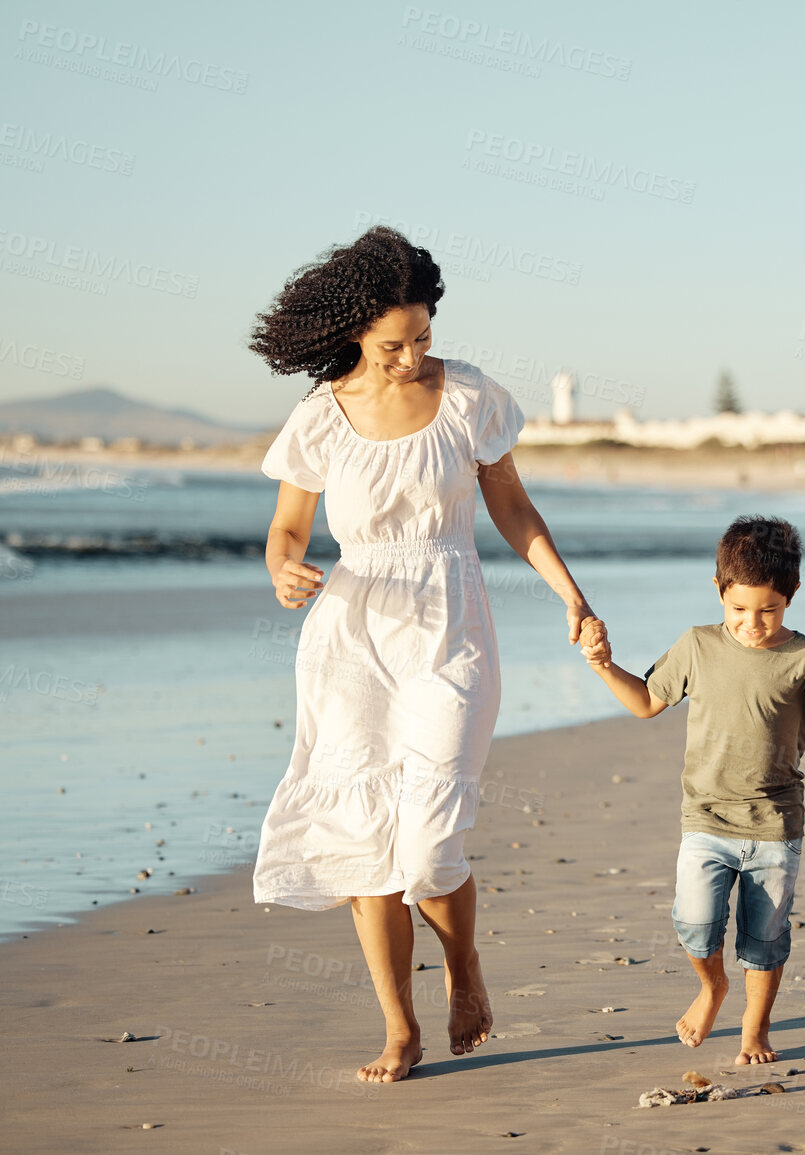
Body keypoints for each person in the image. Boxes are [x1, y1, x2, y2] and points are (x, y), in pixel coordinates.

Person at [249, 226, 606, 1083]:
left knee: (433, 837)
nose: (411, 356)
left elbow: (513, 507)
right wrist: (283, 568)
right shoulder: (320, 418)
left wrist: (572, 594)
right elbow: (288, 528)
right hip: (351, 631)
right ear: (355, 336)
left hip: (450, 622)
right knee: (363, 839)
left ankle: (465, 967)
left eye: (422, 338)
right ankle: (398, 1028)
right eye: (392, 344)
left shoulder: (468, 398)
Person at [578, 515, 805, 1065]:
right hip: (705, 819)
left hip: (775, 827)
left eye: (768, 610)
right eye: (739, 609)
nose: (752, 623)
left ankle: (755, 1030)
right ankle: (711, 986)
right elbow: (647, 701)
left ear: (791, 596)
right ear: (718, 591)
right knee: (696, 924)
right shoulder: (696, 646)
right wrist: (604, 666)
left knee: (765, 940)